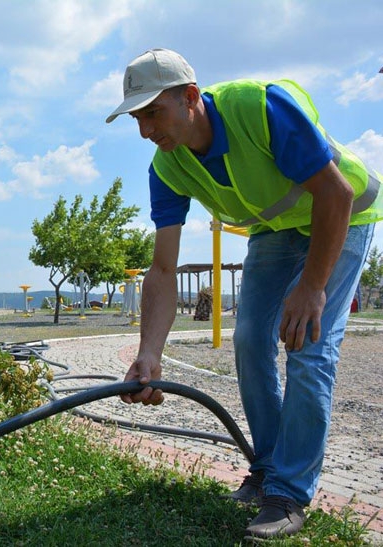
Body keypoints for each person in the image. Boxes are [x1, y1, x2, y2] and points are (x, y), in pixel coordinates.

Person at [105, 48, 382, 541]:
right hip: (276, 233)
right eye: (137, 118)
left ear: (191, 97)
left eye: (154, 113)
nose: (146, 130)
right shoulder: (167, 167)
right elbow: (164, 268)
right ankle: (270, 468)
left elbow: (335, 194)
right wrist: (149, 353)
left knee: (309, 347)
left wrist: (312, 287)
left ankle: (289, 493)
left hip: (342, 215)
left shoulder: (261, 108)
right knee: (249, 337)